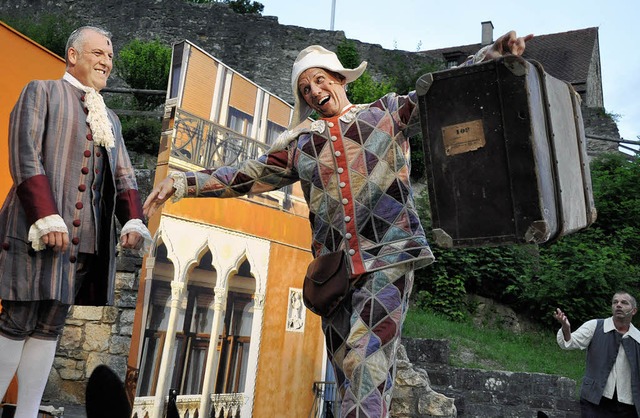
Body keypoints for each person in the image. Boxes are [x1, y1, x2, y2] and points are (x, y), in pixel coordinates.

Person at [143, 30, 532, 418]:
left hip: (388, 256)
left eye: (319, 79)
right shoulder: (302, 145)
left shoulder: (386, 113)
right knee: (351, 375)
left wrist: (490, 54)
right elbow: (243, 176)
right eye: (305, 88)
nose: (313, 91)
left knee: (364, 362)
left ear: (340, 79)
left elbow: (437, 93)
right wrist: (182, 182)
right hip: (334, 277)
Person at [0, 26, 151, 417]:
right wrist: (45, 215)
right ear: (72, 55)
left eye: (111, 56)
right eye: (99, 53)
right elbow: (24, 154)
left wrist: (133, 221)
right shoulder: (42, 92)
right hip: (32, 232)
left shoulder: (111, 119)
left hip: (81, 245)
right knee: (17, 320)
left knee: (50, 326)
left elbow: (124, 176)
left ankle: (27, 413)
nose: (107, 61)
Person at [555, 292, 640, 417]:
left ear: (634, 311)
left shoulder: (637, 338)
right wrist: (566, 328)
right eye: (615, 302)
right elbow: (570, 342)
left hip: (627, 404)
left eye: (624, 302)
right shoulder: (595, 326)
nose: (618, 305)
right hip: (595, 400)